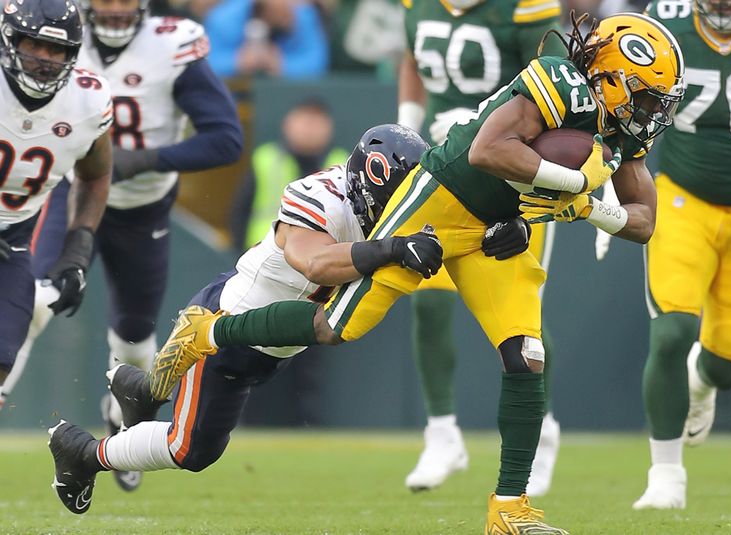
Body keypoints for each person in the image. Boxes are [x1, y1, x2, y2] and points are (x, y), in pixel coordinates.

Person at [66, 13, 684, 533]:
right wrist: (575, 184)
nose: (652, 112)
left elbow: (645, 222)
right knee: (340, 326)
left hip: (497, 231)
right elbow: (486, 152)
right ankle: (209, 333)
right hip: (443, 202)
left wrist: (600, 213)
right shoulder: (559, 82)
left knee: (527, 354)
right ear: (609, 76)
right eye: (647, 95)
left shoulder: (618, 129)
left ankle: (509, 507)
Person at [47, 124, 492, 515]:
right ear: (369, 181)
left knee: (195, 441)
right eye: (395, 197)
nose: (401, 210)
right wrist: (392, 249)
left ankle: (143, 391)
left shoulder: (391, 208)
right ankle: (82, 453)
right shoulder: (322, 196)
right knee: (190, 448)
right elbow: (314, 263)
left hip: (271, 342)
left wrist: (496, 232)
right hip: (225, 328)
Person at [3, 0, 243, 491]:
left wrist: (146, 159)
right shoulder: (57, 32)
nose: (114, 7)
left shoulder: (172, 45)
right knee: (36, 304)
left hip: (143, 207)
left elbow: (225, 139)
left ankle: (125, 423)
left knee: (134, 340)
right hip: (67, 191)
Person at [625, 0, 731, 510]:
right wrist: (610, 185)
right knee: (673, 329)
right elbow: (615, 107)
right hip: (683, 200)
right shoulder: (664, 21)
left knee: (726, 366)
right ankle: (666, 476)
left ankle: (703, 382)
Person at [396, 0, 563, 495]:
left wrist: (480, 120)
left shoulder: (524, 9)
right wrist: (409, 120)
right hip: (448, 168)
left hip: (514, 173)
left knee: (520, 319)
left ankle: (543, 428)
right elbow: (413, 57)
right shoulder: (416, 6)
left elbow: (556, 82)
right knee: (426, 295)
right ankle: (442, 433)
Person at [0, 0, 112, 406]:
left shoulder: (88, 101)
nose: (45, 59)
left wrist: (78, 246)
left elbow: (95, 174)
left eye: (57, 50)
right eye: (34, 45)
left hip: (11, 240)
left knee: (2, 359)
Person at [230, 98, 348, 252]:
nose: (310, 129)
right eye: (304, 121)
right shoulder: (265, 158)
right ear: (287, 124)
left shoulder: (343, 163)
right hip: (265, 254)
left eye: (317, 122)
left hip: (324, 258)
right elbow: (240, 211)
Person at [205, 0, 329, 78]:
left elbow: (317, 63)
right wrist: (238, 61)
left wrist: (280, 65)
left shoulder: (303, 14)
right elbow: (205, 64)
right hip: (234, 96)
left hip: (286, 97)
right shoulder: (223, 18)